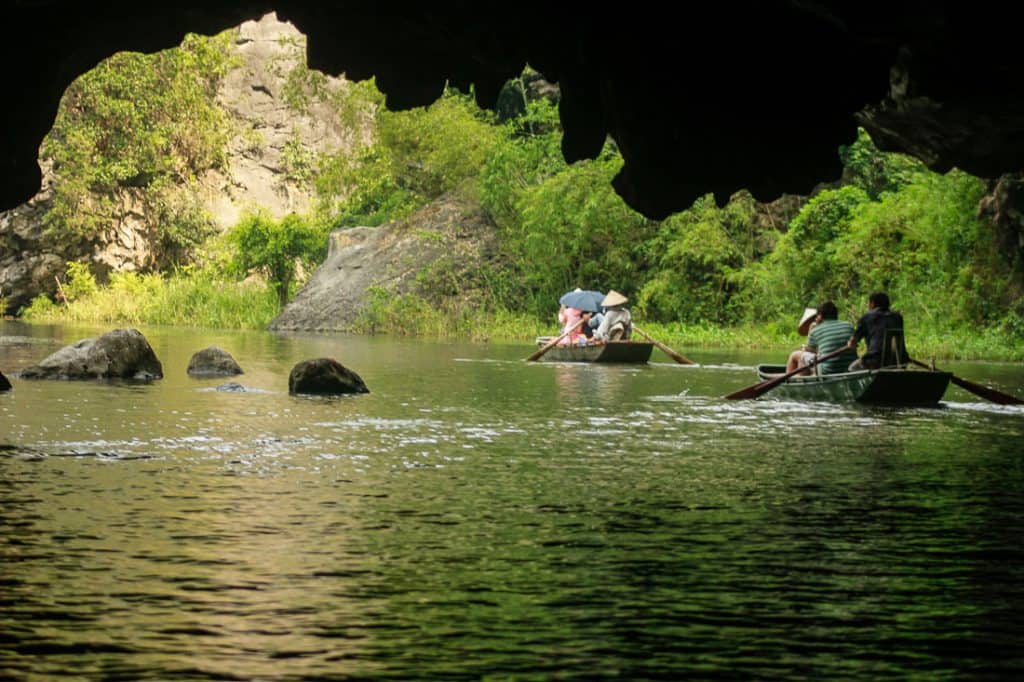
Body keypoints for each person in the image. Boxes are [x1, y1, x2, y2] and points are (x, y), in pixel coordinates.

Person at [847, 291, 907, 370]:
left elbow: (853, 342)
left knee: (852, 368)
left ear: (872, 303)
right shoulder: (898, 317)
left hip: (874, 361)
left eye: (869, 303)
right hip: (900, 361)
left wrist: (850, 344)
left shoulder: (867, 317)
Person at [805, 300, 858, 374]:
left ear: (820, 315)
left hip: (828, 371)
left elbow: (808, 351)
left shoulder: (815, 330)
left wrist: (811, 329)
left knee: (796, 355)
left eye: (817, 315)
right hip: (851, 368)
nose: (815, 318)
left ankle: (794, 382)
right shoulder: (849, 325)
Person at [785, 307, 819, 373]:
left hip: (818, 357)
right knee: (802, 354)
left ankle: (788, 379)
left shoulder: (813, 325)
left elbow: (810, 348)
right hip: (819, 356)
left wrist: (804, 348)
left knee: (794, 354)